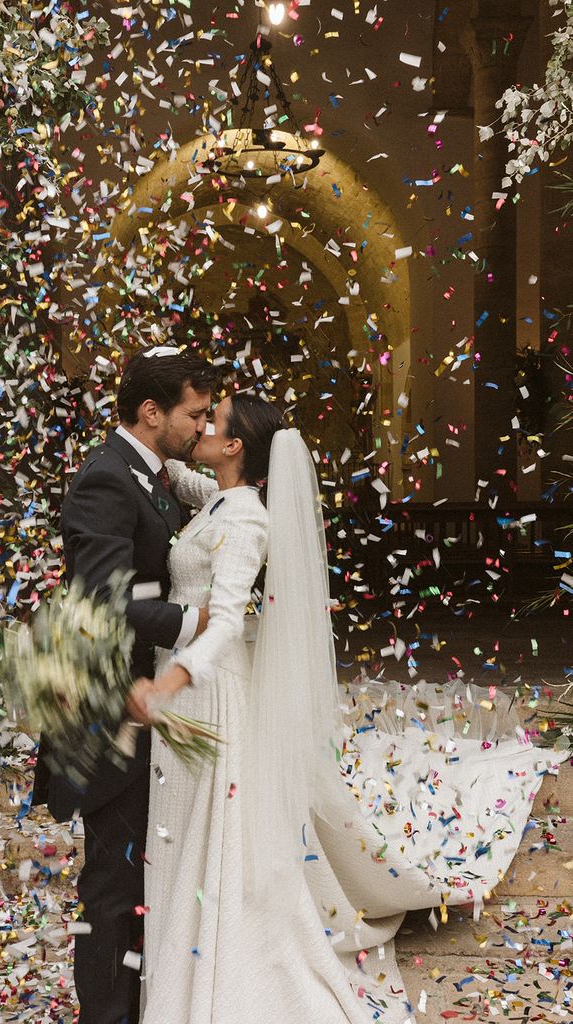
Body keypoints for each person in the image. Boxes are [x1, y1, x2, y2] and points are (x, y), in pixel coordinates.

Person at [128, 391, 563, 1024]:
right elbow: (174, 472)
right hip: (186, 689)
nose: (198, 426)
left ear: (234, 446)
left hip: (206, 691)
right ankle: (177, 963)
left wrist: (169, 685)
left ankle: (210, 973)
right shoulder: (216, 495)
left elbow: (225, 620)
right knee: (177, 832)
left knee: (203, 835)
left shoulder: (247, 518)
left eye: (210, 420)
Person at [31, 347, 218, 1024]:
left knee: (140, 879)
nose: (202, 426)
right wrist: (200, 620)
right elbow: (102, 598)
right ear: (151, 411)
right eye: (194, 414)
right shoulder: (106, 481)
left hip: (150, 704)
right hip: (110, 713)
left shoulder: (156, 476)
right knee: (113, 884)